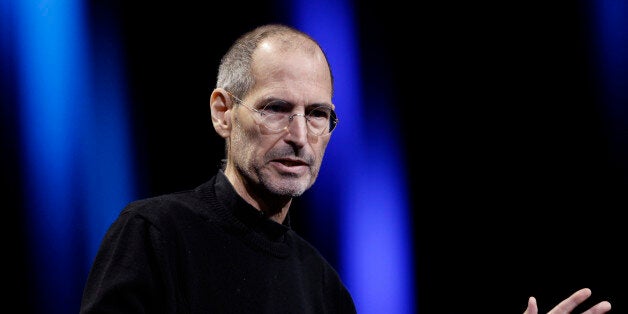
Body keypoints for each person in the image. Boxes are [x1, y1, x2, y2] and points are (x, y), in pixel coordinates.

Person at [79, 23, 611, 313]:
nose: (299, 135)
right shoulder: (154, 234)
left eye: (318, 115)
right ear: (223, 112)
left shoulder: (322, 286)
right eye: (275, 108)